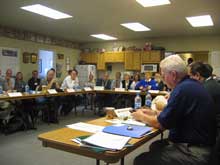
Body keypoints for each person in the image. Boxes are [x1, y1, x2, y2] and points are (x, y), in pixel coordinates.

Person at [132, 55, 216, 165]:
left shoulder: (182, 89)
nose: (162, 79)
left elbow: (161, 124)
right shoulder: (190, 85)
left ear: (173, 75)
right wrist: (154, 113)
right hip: (200, 143)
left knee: (141, 160)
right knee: (156, 145)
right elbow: (178, 114)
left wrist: (141, 116)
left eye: (163, 76)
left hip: (194, 151)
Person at [188, 62, 220, 164]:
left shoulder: (205, 89)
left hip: (215, 133)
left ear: (197, 75)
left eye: (190, 76)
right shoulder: (212, 84)